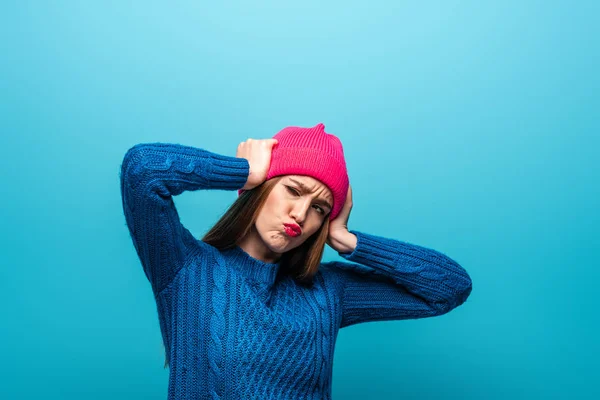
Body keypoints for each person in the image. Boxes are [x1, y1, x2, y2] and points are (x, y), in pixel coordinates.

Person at [119, 122, 472, 400]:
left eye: (319, 208)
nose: (301, 214)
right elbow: (143, 171)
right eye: (293, 190)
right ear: (263, 188)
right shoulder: (188, 270)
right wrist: (242, 173)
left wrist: (349, 241)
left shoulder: (327, 293)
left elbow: (448, 288)